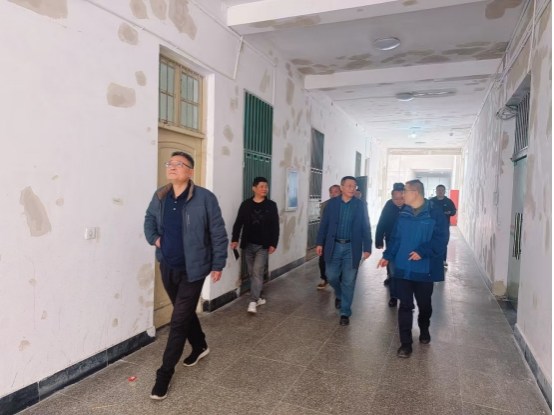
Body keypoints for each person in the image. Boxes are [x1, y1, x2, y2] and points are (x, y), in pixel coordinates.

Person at [144, 151, 228, 400]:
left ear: (190, 171)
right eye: (170, 163)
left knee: (178, 320)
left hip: (195, 269)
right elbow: (149, 219)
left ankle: (164, 374)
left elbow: (218, 232)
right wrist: (155, 239)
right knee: (185, 312)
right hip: (168, 265)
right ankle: (200, 345)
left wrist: (218, 263)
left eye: (179, 164)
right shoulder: (160, 195)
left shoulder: (205, 198)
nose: (172, 167)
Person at [378, 180, 447, 358]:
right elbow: (396, 238)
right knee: (405, 305)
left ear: (415, 193)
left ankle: (424, 327)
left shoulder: (435, 214)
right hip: (403, 268)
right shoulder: (404, 214)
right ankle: (406, 343)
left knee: (424, 305)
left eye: (405, 191)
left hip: (424, 270)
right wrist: (387, 255)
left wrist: (423, 251)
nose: (402, 195)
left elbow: (441, 240)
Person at [316, 176, 372, 326]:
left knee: (349, 280)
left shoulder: (360, 205)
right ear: (341, 187)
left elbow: (366, 226)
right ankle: (339, 294)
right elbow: (324, 224)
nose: (352, 189)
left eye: (354, 186)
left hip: (351, 247)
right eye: (349, 186)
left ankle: (345, 312)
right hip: (333, 246)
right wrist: (319, 242)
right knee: (331, 275)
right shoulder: (332, 204)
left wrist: (367, 247)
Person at [231, 177, 280, 313]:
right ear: (254, 188)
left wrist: (273, 243)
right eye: (262, 186)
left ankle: (253, 301)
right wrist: (235, 239)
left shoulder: (271, 205)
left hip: (262, 246)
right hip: (248, 244)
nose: (265, 189)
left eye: (266, 186)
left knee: (257, 272)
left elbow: (275, 226)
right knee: (252, 272)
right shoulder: (246, 205)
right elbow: (238, 223)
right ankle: (258, 297)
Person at [375, 183, 405, 307]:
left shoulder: (410, 207)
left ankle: (405, 297)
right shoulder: (389, 206)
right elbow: (382, 222)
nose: (398, 201)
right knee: (392, 269)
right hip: (391, 241)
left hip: (406, 243)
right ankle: (393, 296)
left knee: (404, 271)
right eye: (395, 199)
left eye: (401, 198)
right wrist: (378, 239)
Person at [317, 184, 341, 290]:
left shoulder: (344, 205)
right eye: (331, 192)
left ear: (341, 192)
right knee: (322, 259)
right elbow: (322, 223)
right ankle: (324, 278)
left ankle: (339, 280)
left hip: (339, 238)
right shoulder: (325, 205)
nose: (333, 194)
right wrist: (320, 241)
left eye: (336, 191)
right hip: (327, 237)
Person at [430, 185, 457, 267]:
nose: (440, 192)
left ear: (445, 191)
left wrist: (450, 213)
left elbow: (454, 211)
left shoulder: (448, 201)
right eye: (438, 190)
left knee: (443, 242)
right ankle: (431, 259)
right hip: (432, 226)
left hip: (444, 226)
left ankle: (443, 260)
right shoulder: (431, 201)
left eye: (442, 190)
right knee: (431, 242)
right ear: (436, 191)